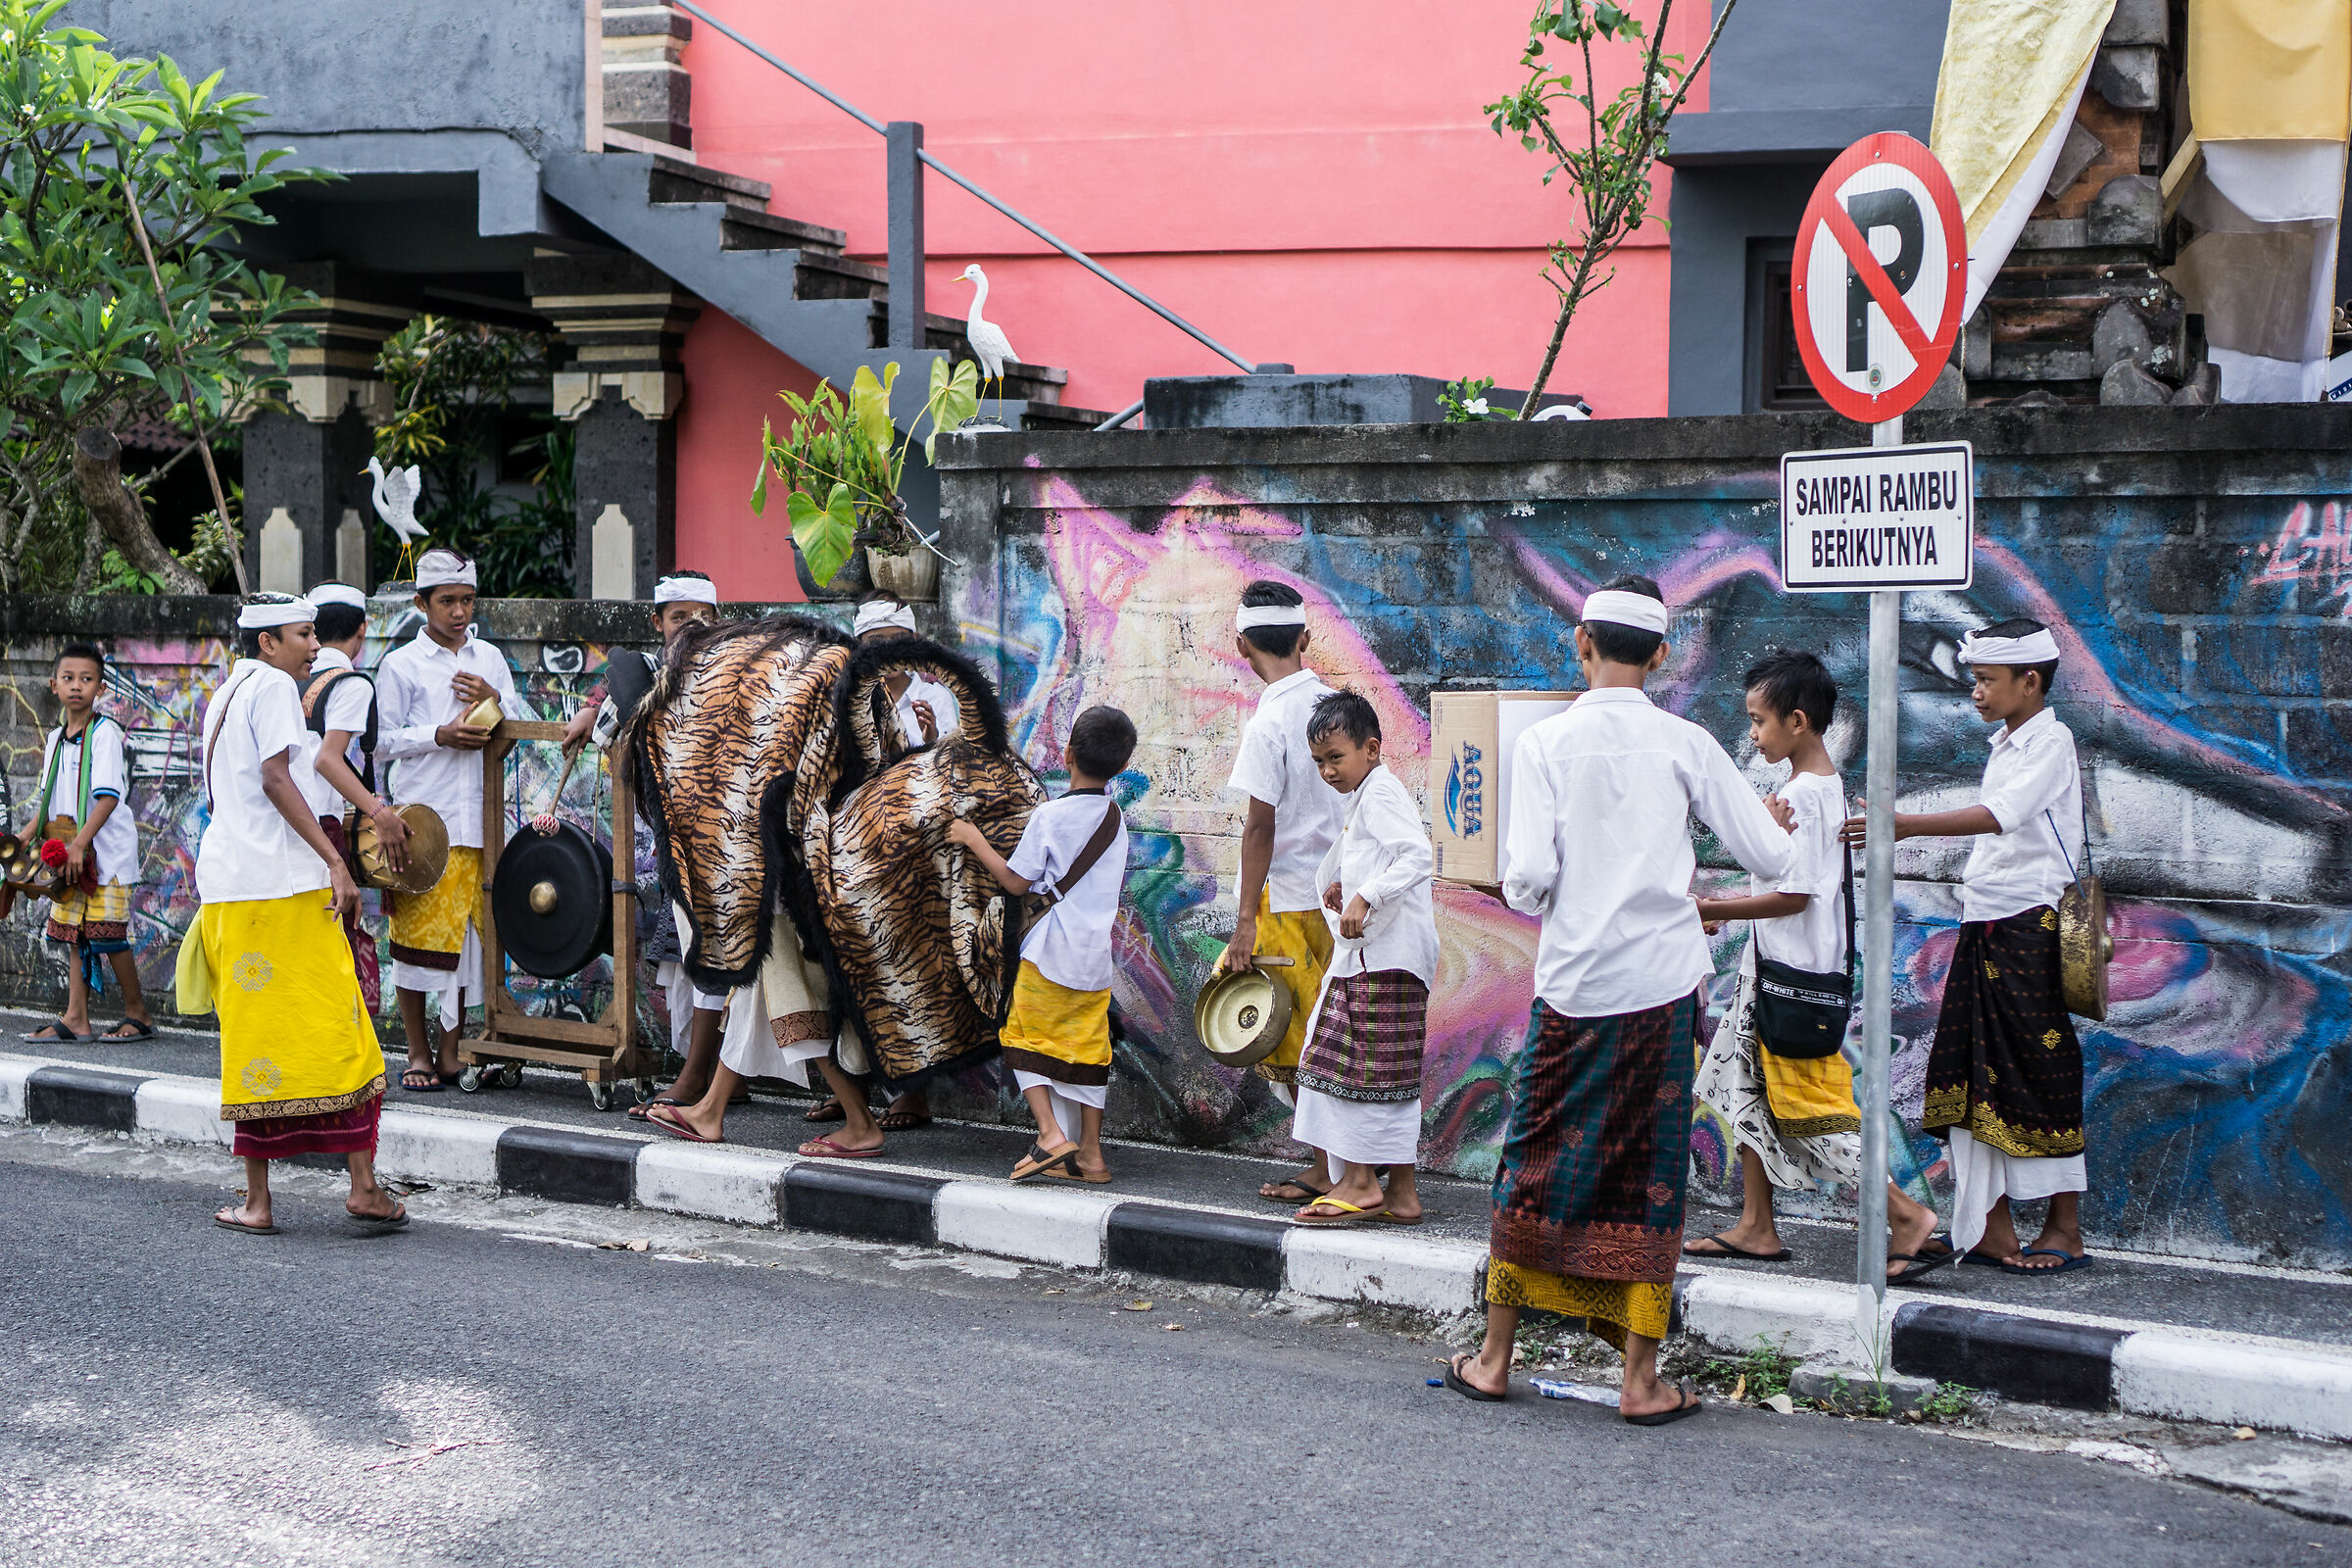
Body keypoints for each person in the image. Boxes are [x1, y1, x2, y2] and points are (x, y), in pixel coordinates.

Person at [1446, 576, 1793, 1425]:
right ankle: (1640, 1383)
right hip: (1661, 988)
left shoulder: (1544, 747)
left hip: (1573, 987)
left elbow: (1528, 883)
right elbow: (1774, 859)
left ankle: (1494, 1358)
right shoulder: (1687, 743)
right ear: (1662, 656)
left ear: (1581, 643)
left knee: (1536, 1160)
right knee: (1648, 1175)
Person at [1840, 617, 2091, 1275]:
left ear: (2030, 682)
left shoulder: (2052, 743)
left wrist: (1903, 823)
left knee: (2041, 1078)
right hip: (1987, 926)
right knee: (1970, 1079)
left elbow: (2001, 816)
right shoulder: (2008, 741)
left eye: (1987, 680)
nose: (1976, 692)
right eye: (1975, 679)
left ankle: (2064, 1228)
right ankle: (1991, 1229)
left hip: (2028, 930)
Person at [1687, 651, 1944, 1280]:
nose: (1752, 733)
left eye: (1759, 720)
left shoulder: (1802, 796)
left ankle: (1907, 1216)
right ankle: (1756, 1225)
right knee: (1742, 1087)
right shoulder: (1822, 790)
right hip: (1779, 970)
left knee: (1810, 1114)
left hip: (1788, 975)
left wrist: (1713, 906)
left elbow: (1794, 894)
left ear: (1797, 721)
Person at [198, 594, 402, 1236]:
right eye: (302, 634)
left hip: (236, 890)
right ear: (268, 642)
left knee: (259, 1047)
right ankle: (362, 1185)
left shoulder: (228, 692)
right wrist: (335, 863)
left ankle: (260, 1202)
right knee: (344, 1033)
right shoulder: (276, 690)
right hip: (281, 891)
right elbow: (277, 779)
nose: (314, 647)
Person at [554, 571, 732, 1119]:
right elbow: (611, 721)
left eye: (701, 617)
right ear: (658, 623)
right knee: (693, 956)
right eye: (679, 617)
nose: (692, 627)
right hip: (677, 839)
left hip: (729, 834)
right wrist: (591, 709)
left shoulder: (735, 671)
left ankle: (701, 1075)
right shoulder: (647, 675)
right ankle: (704, 1072)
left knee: (716, 954)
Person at [946, 705, 1137, 1184]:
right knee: (1089, 1051)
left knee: (1020, 1038)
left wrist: (971, 837)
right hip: (1095, 960)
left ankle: (1051, 1135)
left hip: (1050, 955)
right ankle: (1091, 1157)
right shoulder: (1116, 819)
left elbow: (1015, 882)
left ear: (1067, 754)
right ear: (1122, 766)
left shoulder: (1050, 817)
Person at [799, 592, 959, 1135]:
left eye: (892, 644)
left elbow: (957, 774)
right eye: (871, 646)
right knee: (849, 969)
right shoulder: (847, 701)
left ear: (912, 645)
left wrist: (931, 743)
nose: (883, 655)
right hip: (855, 850)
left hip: (916, 856)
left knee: (912, 973)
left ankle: (914, 1096)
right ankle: (854, 1097)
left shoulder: (938, 699)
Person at [1216, 580, 1346, 1205]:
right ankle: (1347, 1166)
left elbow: (1259, 826)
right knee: (1345, 1031)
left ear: (1241, 645)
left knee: (1293, 1041)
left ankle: (1327, 1168)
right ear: (1304, 638)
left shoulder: (1270, 720)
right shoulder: (1341, 705)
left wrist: (1244, 920)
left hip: (1291, 900)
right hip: (1346, 898)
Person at [1289, 689, 1438, 1227]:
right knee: (1389, 1068)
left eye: (1336, 758)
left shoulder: (1380, 793)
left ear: (1371, 749)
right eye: (1319, 762)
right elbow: (1379, 857)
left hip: (1383, 958)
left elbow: (1417, 854)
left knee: (1346, 1063)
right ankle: (1400, 1192)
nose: (1327, 772)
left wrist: (1365, 896)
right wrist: (1344, 885)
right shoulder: (1368, 793)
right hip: (1394, 957)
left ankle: (1358, 1182)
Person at [373, 548, 520, 1093]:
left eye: (466, 600)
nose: (459, 611)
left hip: (479, 824)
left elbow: (521, 731)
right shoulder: (400, 666)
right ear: (421, 603)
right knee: (416, 943)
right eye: (447, 601)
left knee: (462, 944)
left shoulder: (491, 661)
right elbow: (380, 744)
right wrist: (439, 735)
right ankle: (416, 1051)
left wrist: (495, 700)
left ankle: (451, 1052)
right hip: (424, 828)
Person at [19, 641, 151, 1043]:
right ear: (53, 685)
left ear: (101, 688)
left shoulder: (104, 733)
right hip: (70, 853)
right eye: (68, 678)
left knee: (107, 933)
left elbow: (109, 797)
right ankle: (77, 1018)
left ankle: (138, 1013)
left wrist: (80, 844)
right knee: (74, 932)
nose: (77, 686)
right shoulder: (57, 738)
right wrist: (23, 838)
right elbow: (47, 801)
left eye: (87, 679)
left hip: (103, 853)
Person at [298, 581, 401, 1015]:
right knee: (335, 940)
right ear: (363, 630)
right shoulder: (351, 683)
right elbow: (328, 760)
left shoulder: (291, 678)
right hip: (321, 824)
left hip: (289, 821)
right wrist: (380, 811)